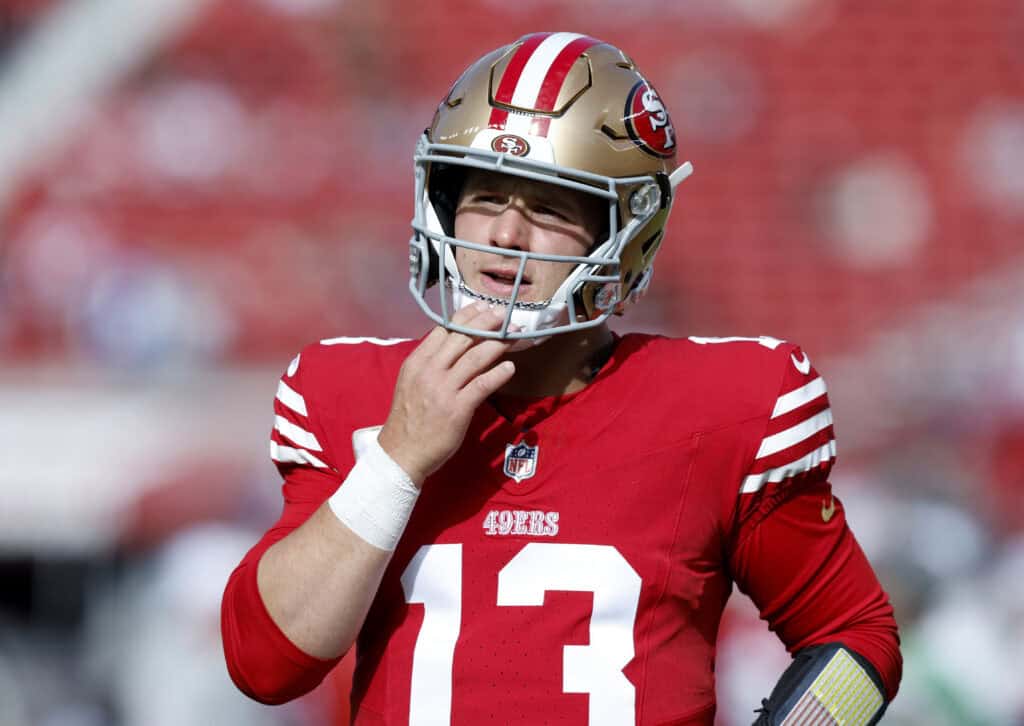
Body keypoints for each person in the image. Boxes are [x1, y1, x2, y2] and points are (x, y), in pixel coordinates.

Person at [221, 32, 901, 725]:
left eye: (548, 207)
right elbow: (266, 663)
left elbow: (857, 638)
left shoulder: (726, 408)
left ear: (625, 236)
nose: (505, 236)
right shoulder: (346, 392)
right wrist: (396, 461)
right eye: (484, 194)